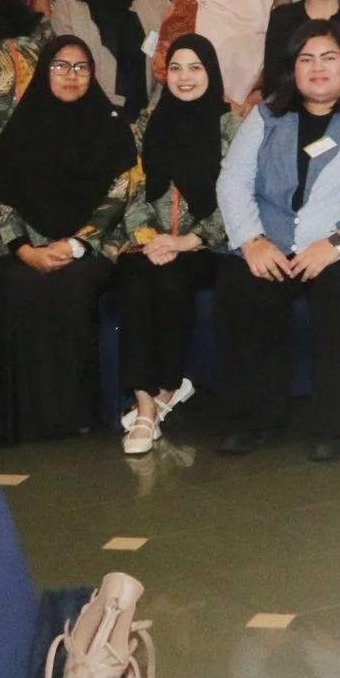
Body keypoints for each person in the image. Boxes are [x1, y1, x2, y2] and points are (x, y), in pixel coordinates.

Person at [213, 18, 340, 461]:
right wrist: (251, 241)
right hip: (277, 243)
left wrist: (338, 245)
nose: (318, 68)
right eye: (306, 59)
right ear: (292, 68)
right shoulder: (269, 112)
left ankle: (339, 426)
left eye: (329, 58)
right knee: (242, 287)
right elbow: (233, 181)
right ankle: (252, 419)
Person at [0, 35, 139, 444]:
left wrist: (76, 245)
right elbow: (2, 199)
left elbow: (120, 193)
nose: (71, 76)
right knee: (16, 287)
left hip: (93, 246)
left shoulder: (111, 126)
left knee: (71, 288)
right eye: (60, 66)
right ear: (43, 71)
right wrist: (24, 250)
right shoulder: (21, 128)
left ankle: (70, 414)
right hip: (28, 244)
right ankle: (18, 418)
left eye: (81, 67)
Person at [111, 34, 238, 456]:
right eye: (177, 68)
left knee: (170, 282)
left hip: (206, 247)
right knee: (132, 282)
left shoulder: (230, 124)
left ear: (211, 72)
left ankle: (168, 386)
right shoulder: (148, 122)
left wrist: (187, 240)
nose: (185, 78)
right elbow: (131, 189)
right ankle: (148, 405)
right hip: (148, 243)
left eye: (196, 67)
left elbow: (238, 196)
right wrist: (151, 240)